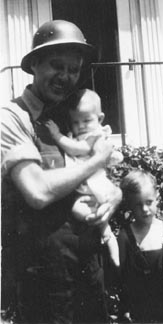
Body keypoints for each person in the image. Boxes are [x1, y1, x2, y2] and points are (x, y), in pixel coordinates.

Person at [1, 20, 122, 324]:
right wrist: (95, 161)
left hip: (87, 264)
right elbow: (38, 192)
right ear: (35, 65)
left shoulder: (73, 114)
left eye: (74, 69)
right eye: (57, 66)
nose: (66, 77)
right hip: (43, 276)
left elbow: (107, 177)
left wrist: (115, 198)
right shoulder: (12, 118)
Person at [45, 88, 122, 267]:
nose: (80, 126)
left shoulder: (94, 135)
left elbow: (79, 149)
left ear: (100, 119)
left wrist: (57, 136)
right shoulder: (82, 133)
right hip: (84, 187)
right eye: (75, 122)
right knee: (90, 216)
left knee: (100, 213)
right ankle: (108, 239)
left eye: (86, 120)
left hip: (96, 184)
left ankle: (112, 247)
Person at [117, 170, 163, 323]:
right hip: (140, 307)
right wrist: (124, 306)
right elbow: (122, 274)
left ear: (157, 199)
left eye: (149, 202)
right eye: (138, 205)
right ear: (130, 204)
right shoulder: (125, 236)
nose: (144, 209)